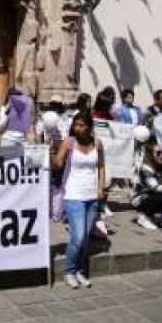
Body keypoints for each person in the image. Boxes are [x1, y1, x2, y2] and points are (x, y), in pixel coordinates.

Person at [52, 112, 105, 289]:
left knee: (85, 238)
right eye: (76, 125)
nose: (78, 128)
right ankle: (69, 271)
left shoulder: (97, 144)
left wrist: (101, 188)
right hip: (73, 195)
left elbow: (101, 167)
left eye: (82, 125)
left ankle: (81, 271)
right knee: (78, 236)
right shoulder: (69, 142)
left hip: (91, 196)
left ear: (89, 126)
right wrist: (55, 154)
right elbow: (58, 163)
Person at [132, 141, 162, 230]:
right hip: (139, 199)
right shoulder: (146, 168)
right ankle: (143, 217)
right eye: (158, 153)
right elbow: (155, 188)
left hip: (153, 195)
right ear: (151, 154)